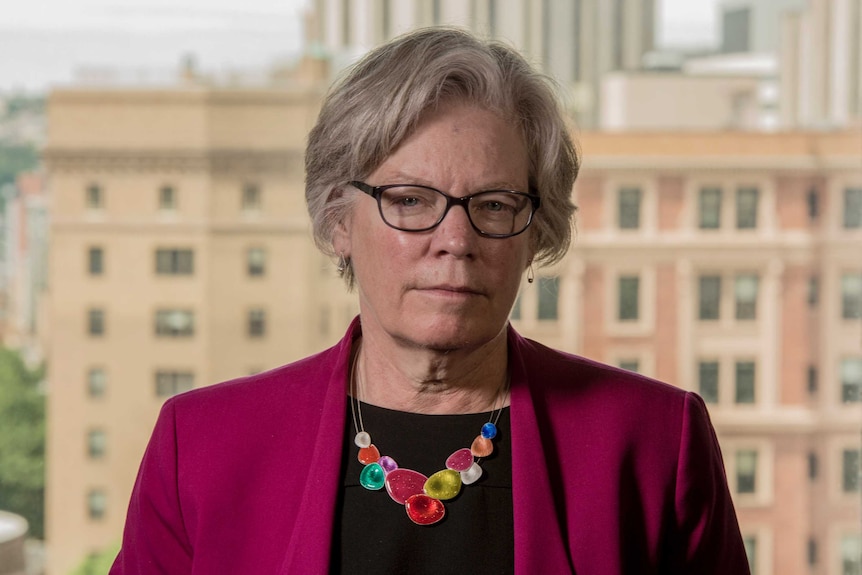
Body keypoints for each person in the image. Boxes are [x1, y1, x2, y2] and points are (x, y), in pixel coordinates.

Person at [111, 27, 750, 574]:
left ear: (536, 235)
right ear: (339, 222)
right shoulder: (200, 447)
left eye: (494, 205)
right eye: (410, 200)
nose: (455, 240)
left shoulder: (653, 443)